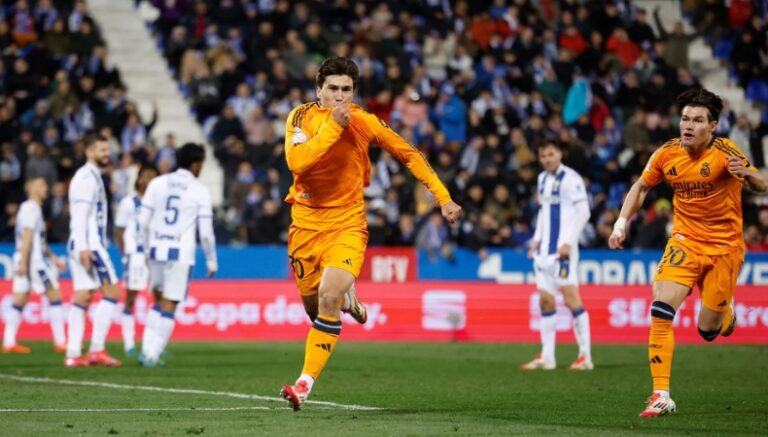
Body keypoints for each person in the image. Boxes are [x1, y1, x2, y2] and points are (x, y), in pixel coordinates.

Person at [279, 57, 462, 410]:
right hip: (304, 226)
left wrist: (443, 197)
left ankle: (304, 384)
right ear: (319, 90)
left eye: (346, 90)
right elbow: (297, 162)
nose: (340, 96)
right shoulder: (299, 117)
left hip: (347, 224)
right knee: (315, 310)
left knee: (328, 298)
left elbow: (409, 154)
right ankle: (349, 301)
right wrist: (333, 126)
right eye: (333, 89)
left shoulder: (363, 121)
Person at [608, 88, 768, 417]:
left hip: (724, 247)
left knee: (708, 331)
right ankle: (660, 394)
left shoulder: (725, 152)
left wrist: (748, 174)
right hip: (685, 241)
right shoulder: (667, 153)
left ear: (712, 126)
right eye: (684, 119)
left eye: (697, 120)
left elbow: (761, 184)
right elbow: (641, 186)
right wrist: (621, 223)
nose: (688, 125)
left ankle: (725, 313)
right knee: (660, 308)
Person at [137, 143, 217, 367]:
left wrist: (145, 248)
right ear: (196, 164)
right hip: (180, 253)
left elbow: (143, 221)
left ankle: (146, 350)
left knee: (157, 301)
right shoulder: (199, 190)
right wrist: (211, 259)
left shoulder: (158, 183)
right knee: (170, 304)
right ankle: (152, 355)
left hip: (156, 249)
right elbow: (206, 233)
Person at [522, 140, 593, 371]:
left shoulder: (571, 179)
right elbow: (544, 212)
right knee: (545, 301)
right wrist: (536, 240)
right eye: (543, 156)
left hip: (563, 253)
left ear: (560, 154)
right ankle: (547, 357)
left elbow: (584, 212)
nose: (547, 159)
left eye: (551, 154)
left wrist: (568, 242)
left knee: (572, 300)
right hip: (543, 252)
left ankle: (585, 356)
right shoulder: (542, 179)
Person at [65, 133, 123, 368]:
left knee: (84, 296)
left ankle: (73, 354)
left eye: (107, 149)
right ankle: (97, 349)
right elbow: (80, 215)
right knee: (112, 292)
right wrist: (84, 247)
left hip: (84, 243)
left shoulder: (93, 176)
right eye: (102, 150)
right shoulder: (86, 178)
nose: (107, 154)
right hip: (90, 244)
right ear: (89, 152)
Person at [3, 177, 67, 354]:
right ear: (31, 189)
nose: (45, 187)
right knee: (55, 294)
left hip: (27, 258)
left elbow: (38, 240)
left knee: (20, 299)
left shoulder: (31, 208)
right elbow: (27, 235)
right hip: (33, 261)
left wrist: (52, 258)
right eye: (41, 185)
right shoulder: (31, 208)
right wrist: (24, 262)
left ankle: (9, 342)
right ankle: (61, 341)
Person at [114, 165, 158, 357]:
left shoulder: (158, 203)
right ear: (139, 180)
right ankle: (129, 343)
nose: (150, 180)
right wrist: (126, 254)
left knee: (158, 298)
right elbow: (119, 230)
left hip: (154, 255)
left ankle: (153, 345)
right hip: (135, 255)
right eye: (147, 176)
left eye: (153, 177)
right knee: (131, 297)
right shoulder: (128, 203)